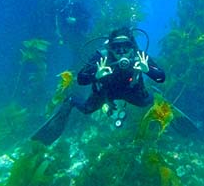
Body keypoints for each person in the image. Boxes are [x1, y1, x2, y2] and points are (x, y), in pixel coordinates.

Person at [32, 27, 166, 145]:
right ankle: (70, 101)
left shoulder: (140, 56)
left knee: (145, 102)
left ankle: (156, 94)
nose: (121, 52)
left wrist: (148, 70)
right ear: (110, 48)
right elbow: (81, 79)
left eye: (126, 46)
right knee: (86, 108)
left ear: (132, 47)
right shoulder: (102, 57)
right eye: (116, 47)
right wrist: (95, 75)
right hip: (106, 91)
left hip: (131, 89)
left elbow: (161, 77)